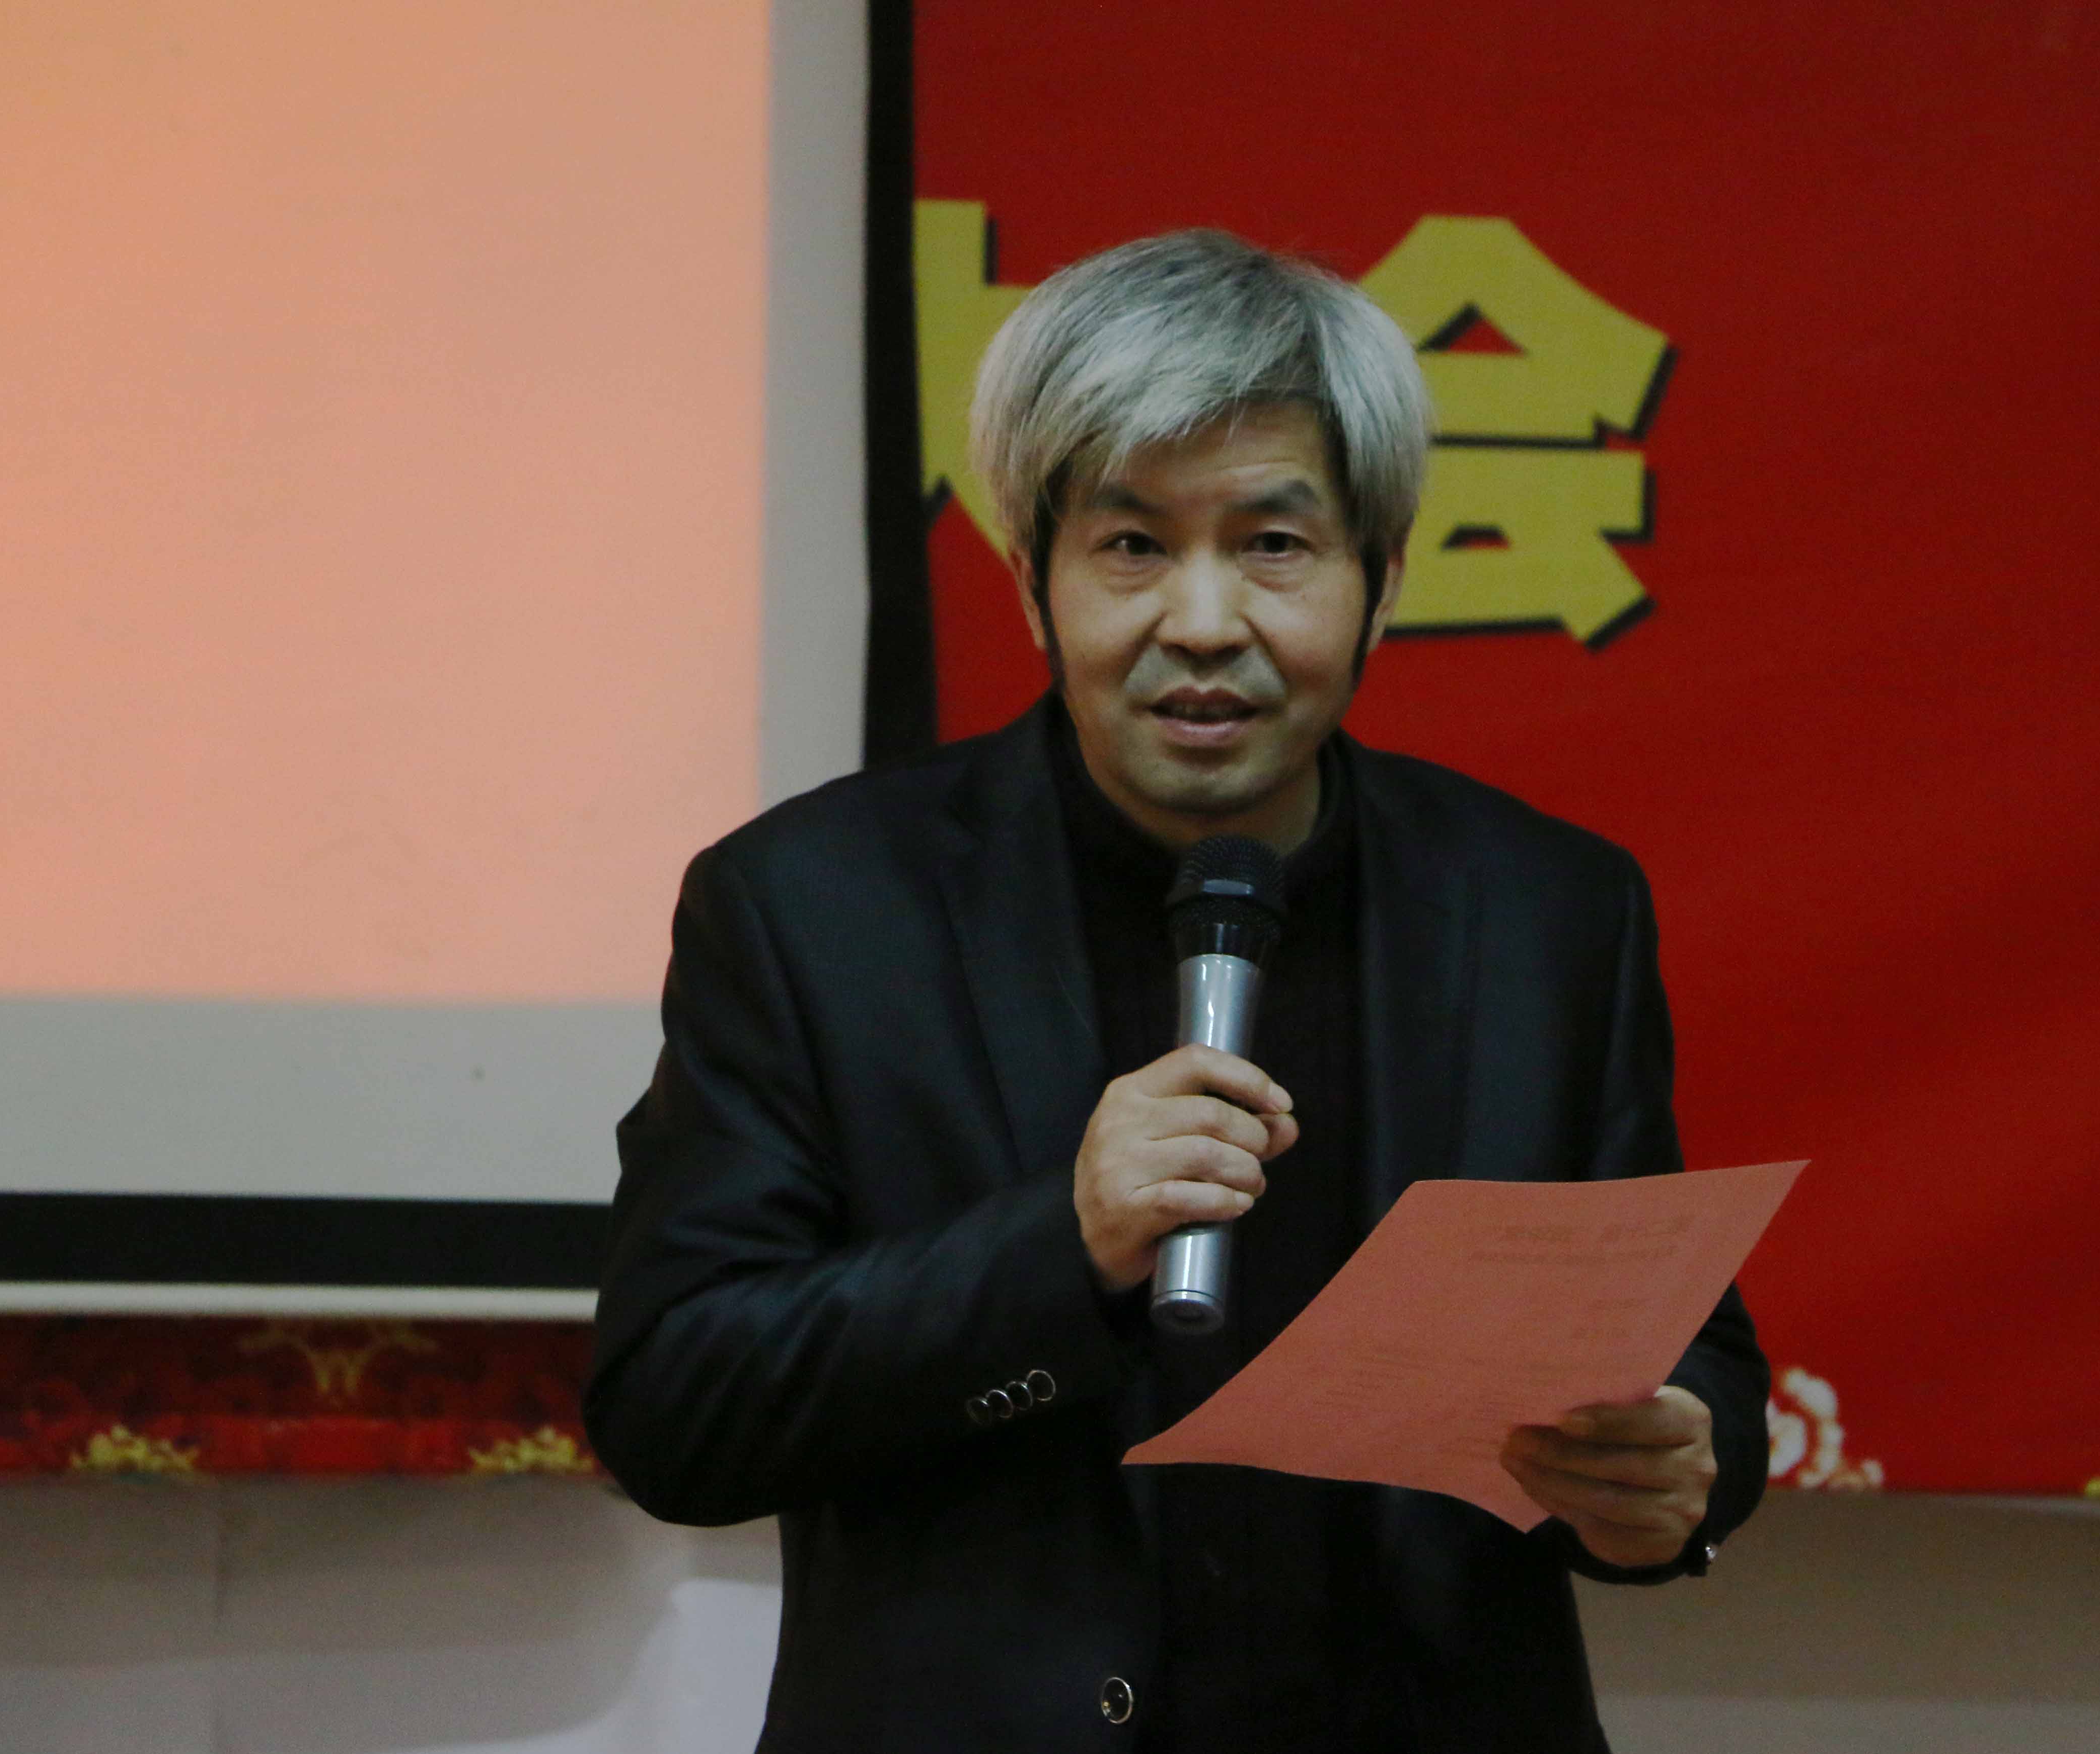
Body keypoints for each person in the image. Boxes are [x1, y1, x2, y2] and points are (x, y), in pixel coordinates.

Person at [586, 229, 1770, 1753]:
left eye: (1274, 545)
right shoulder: (814, 909)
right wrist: (1061, 1245)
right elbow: (675, 1407)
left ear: (1383, 581)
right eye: (1133, 546)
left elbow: (1683, 1345)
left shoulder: (1547, 908)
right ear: (1033, 583)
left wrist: (1676, 1475)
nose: (1203, 625)